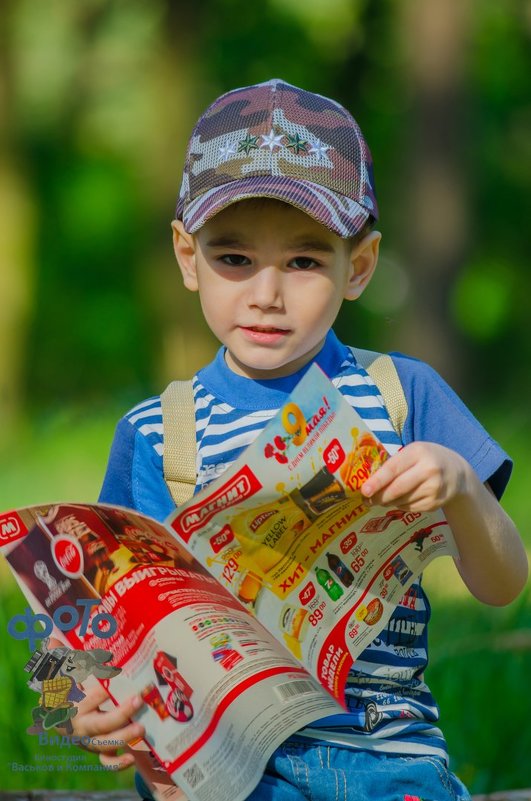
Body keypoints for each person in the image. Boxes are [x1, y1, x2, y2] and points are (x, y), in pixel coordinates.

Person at [67, 79, 528, 801]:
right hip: (218, 766)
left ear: (361, 266)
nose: (266, 293)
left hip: (384, 755)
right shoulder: (159, 433)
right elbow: (118, 626)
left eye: (305, 261)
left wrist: (463, 487)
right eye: (234, 258)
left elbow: (501, 587)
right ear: (188, 257)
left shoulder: (400, 395)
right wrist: (100, 704)